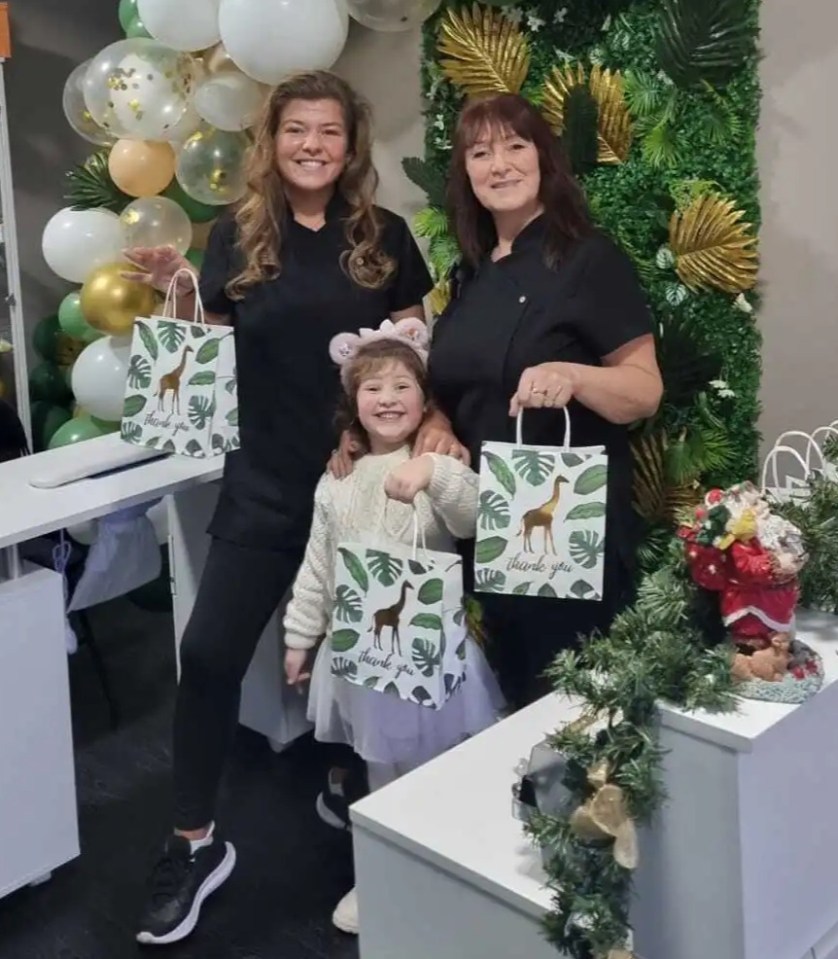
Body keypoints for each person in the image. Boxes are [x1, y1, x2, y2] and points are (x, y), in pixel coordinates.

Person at [123, 70, 464, 947]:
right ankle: (194, 841)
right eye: (296, 131)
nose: (313, 145)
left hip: (364, 487)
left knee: (370, 653)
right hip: (266, 483)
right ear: (270, 143)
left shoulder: (384, 238)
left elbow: (412, 361)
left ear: (351, 147)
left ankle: (356, 782)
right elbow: (206, 357)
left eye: (330, 133)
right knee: (207, 655)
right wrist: (180, 294)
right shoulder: (237, 236)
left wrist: (428, 433)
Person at [428, 93, 664, 708]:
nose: (498, 164)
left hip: (568, 541)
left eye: (515, 146)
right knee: (515, 697)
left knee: (573, 711)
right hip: (491, 530)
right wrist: (435, 423)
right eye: (480, 152)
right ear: (466, 172)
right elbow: (453, 387)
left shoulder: (589, 258)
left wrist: (574, 375)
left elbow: (644, 391)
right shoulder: (470, 273)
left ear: (544, 159)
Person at [282, 319, 503, 934]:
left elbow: (476, 514)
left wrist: (434, 473)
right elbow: (319, 564)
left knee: (438, 768)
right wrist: (301, 637)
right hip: (364, 656)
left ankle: (446, 868)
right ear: (353, 403)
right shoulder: (339, 478)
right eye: (373, 387)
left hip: (430, 648)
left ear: (425, 399)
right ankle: (380, 872)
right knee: (379, 772)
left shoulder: (436, 460)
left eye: (402, 385)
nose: (387, 398)